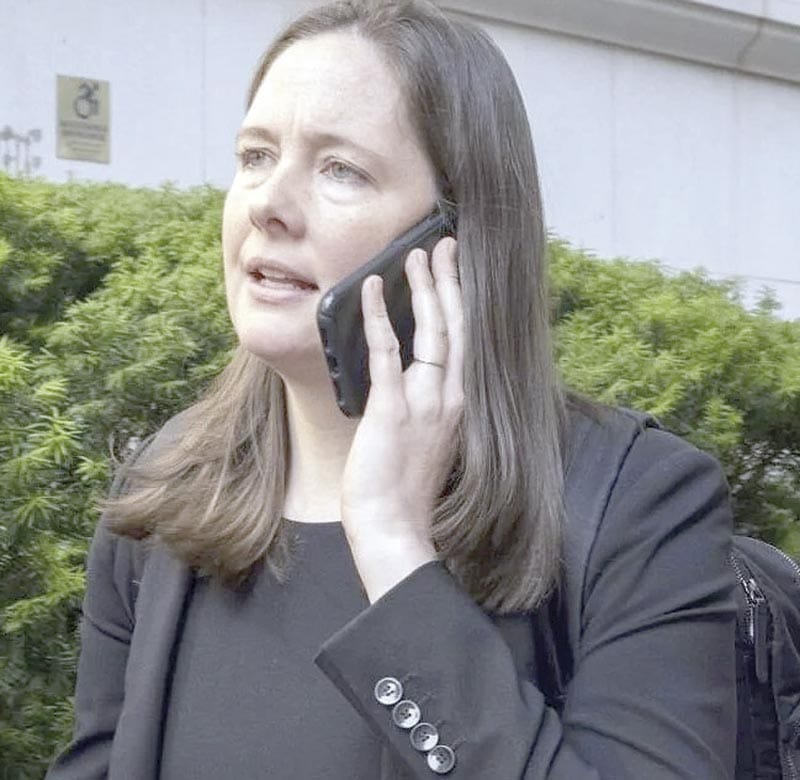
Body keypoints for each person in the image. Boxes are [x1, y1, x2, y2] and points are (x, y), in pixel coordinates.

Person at [47, 1, 737, 777]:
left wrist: (394, 551)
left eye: (340, 169)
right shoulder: (164, 489)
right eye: (255, 155)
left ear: (454, 239)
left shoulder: (639, 505)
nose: (268, 205)